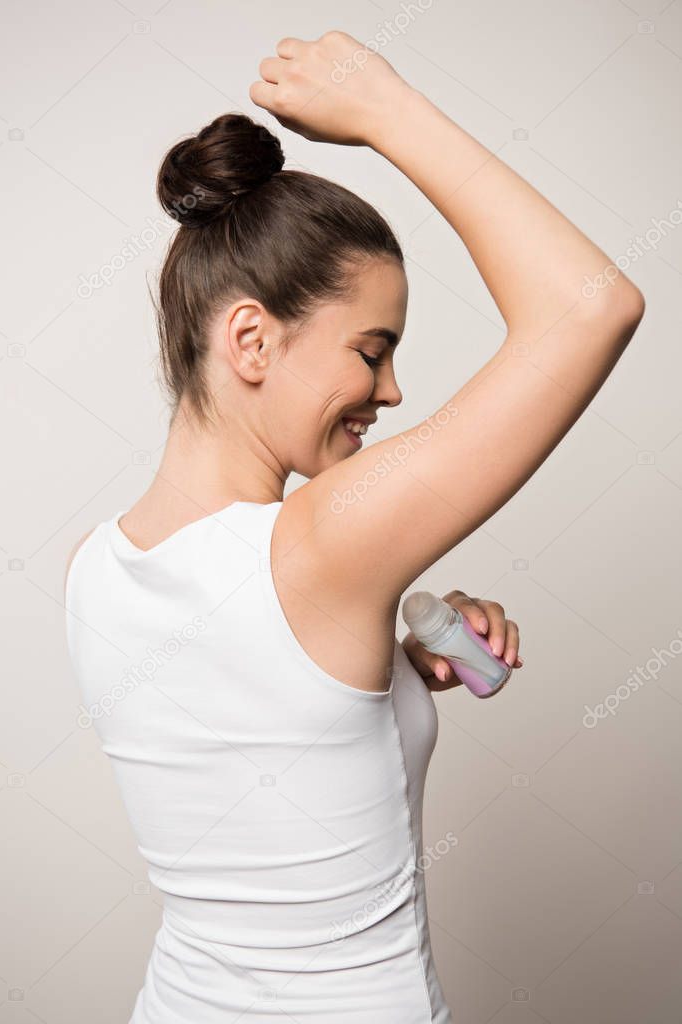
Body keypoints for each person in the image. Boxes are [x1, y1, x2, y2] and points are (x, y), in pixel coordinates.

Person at [64, 29, 644, 1024]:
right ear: (249, 337)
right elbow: (592, 305)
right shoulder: (320, 545)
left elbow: (259, 737)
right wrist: (382, 107)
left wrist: (378, 664)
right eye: (370, 351)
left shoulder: (96, 566)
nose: (390, 388)